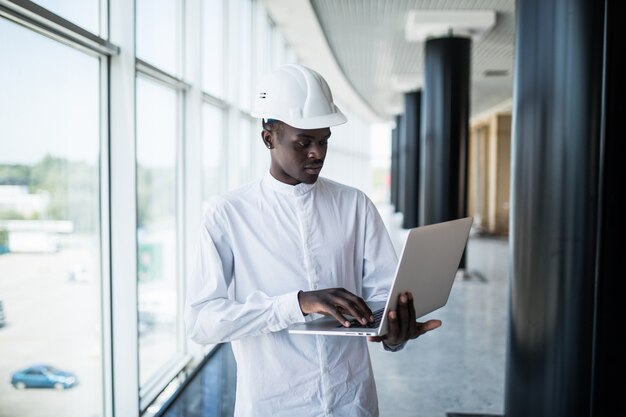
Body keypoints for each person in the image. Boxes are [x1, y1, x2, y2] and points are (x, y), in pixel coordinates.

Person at [185, 63, 441, 417]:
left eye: (323, 141)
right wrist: (299, 303)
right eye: (303, 142)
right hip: (274, 406)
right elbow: (202, 322)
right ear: (268, 138)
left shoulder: (354, 205)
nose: (317, 153)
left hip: (352, 403)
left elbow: (385, 292)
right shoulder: (227, 214)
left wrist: (393, 333)